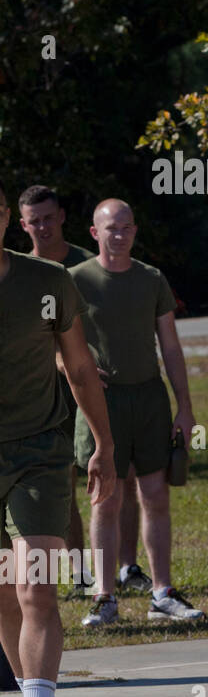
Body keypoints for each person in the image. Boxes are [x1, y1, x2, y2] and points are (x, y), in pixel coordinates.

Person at [0, 182, 116, 697]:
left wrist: (102, 445)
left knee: (36, 585)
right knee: (2, 594)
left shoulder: (46, 283)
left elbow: (78, 367)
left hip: (39, 456)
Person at [70, 200, 204, 626]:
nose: (120, 234)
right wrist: (77, 369)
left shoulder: (152, 278)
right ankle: (104, 597)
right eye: (112, 228)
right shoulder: (74, 281)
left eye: (127, 227)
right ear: (95, 233)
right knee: (105, 499)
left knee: (155, 496)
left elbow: (171, 346)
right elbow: (51, 344)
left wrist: (185, 407)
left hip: (149, 399)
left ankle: (162, 592)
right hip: (100, 403)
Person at [17, 185, 96, 587]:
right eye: (35, 222)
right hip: (47, 398)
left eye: (49, 218)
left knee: (109, 483)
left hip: (96, 389)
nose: (43, 227)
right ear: (22, 225)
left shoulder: (89, 264)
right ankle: (78, 574)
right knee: (60, 488)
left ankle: (121, 569)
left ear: (62, 216)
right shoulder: (20, 274)